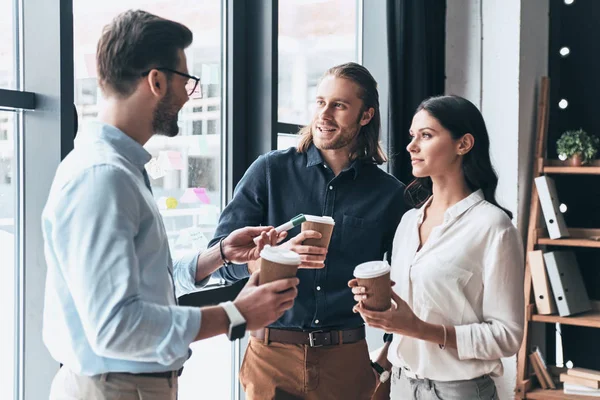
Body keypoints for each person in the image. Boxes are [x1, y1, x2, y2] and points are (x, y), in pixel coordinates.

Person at [42, 10, 298, 400]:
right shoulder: (103, 176)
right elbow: (117, 326)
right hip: (115, 389)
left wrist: (219, 256)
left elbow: (142, 286)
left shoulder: (118, 169)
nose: (188, 95)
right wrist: (237, 315)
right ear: (156, 81)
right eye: (187, 81)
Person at [209, 62, 406, 399]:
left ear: (366, 115)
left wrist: (385, 359)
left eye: (339, 105)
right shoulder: (270, 171)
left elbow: (410, 283)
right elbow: (222, 261)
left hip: (347, 360)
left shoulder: (389, 194)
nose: (324, 115)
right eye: (320, 102)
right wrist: (270, 260)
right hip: (271, 358)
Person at [351, 95, 525, 400]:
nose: (411, 146)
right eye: (412, 136)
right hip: (402, 386)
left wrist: (420, 329)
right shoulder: (407, 223)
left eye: (426, 135)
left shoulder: (493, 226)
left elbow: (508, 337)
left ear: (464, 144)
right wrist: (378, 307)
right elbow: (413, 308)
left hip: (460, 392)